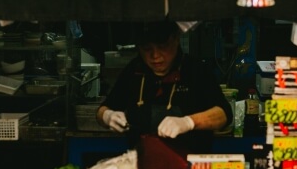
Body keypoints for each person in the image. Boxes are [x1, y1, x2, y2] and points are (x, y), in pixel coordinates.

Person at [96, 21, 232, 158]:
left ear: (176, 40)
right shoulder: (134, 70)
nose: (155, 55)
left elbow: (224, 114)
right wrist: (108, 116)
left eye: (162, 47)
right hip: (142, 165)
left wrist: (189, 122)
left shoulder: (195, 70)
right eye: (146, 48)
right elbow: (103, 110)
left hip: (192, 168)